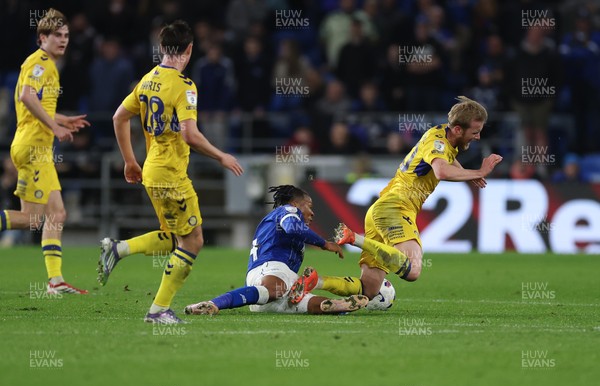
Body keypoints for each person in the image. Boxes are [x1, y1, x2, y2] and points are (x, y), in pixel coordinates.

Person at [99, 20, 244, 324]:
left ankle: (119, 248)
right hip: (170, 174)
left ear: (162, 48)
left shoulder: (147, 79)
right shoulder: (184, 85)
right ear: (189, 49)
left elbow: (118, 117)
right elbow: (190, 134)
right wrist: (221, 156)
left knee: (174, 236)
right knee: (193, 242)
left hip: (152, 169)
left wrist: (130, 160)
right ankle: (157, 310)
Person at [290, 97, 502, 301]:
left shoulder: (440, 134)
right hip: (396, 208)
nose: (478, 137)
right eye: (475, 132)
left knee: (370, 288)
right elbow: (441, 171)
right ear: (458, 129)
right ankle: (354, 238)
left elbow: (448, 158)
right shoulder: (438, 144)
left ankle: (314, 282)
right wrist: (479, 171)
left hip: (380, 211)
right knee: (413, 270)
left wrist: (468, 174)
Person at [0, 9, 90, 294]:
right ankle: (55, 281)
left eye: (66, 36)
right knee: (35, 220)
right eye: (57, 36)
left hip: (32, 146)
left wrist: (63, 120)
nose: (63, 41)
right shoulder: (41, 63)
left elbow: (34, 105)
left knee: (55, 215)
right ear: (42, 38)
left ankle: (55, 281)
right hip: (34, 148)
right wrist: (55, 126)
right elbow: (27, 97)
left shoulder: (42, 63)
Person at [184, 185, 368, 315]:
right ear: (296, 204)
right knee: (276, 290)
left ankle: (335, 306)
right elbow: (291, 227)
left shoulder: (285, 219)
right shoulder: (287, 210)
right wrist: (324, 243)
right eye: (309, 206)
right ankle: (212, 304)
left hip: (269, 289)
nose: (312, 213)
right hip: (270, 269)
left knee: (305, 304)